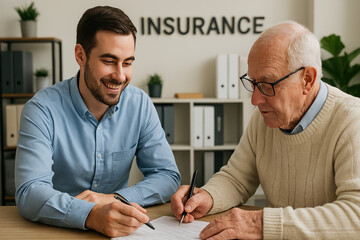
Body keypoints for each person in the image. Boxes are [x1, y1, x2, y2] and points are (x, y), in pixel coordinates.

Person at [171, 20, 360, 239]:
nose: (255, 99)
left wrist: (261, 223)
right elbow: (237, 179)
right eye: (253, 83)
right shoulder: (265, 119)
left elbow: (356, 215)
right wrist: (207, 197)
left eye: (267, 85)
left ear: (307, 79)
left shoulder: (352, 120)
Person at [15, 6, 180, 238]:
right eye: (109, 61)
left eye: (127, 62)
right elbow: (29, 191)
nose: (120, 76)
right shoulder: (41, 109)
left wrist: (114, 199)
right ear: (80, 55)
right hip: (57, 231)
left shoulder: (140, 104)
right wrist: (90, 214)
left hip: (119, 231)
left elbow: (167, 175)